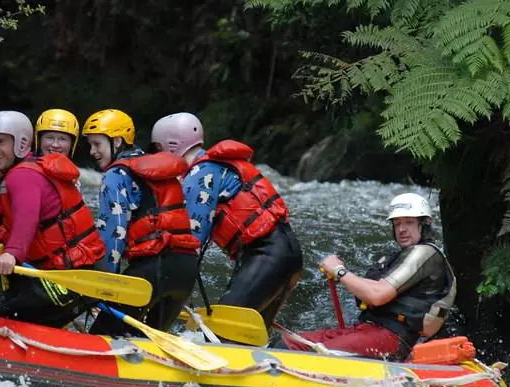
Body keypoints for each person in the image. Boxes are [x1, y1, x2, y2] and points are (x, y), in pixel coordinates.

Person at [151, 112, 303, 332]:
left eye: (158, 148)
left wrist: (176, 292)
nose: (157, 155)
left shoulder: (199, 176)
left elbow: (193, 243)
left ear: (172, 147)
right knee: (251, 334)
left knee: (223, 330)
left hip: (266, 257)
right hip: (289, 253)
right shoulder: (217, 167)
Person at [0, 111, 106, 326]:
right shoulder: (38, 170)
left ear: (22, 143)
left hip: (75, 276)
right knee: (23, 318)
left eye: (1, 142)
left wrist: (12, 254)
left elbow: (28, 216)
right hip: (70, 272)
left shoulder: (24, 174)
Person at [283, 193, 456, 359]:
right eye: (397, 224)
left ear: (424, 224)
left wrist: (340, 272)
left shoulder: (425, 254)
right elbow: (373, 288)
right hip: (370, 330)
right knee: (289, 342)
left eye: (409, 223)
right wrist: (341, 273)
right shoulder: (399, 256)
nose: (402, 229)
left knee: (300, 351)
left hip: (394, 339)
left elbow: (377, 295)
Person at [81, 110, 201, 335]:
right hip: (186, 270)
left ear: (116, 141)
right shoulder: (157, 167)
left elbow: (112, 236)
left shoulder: (115, 175)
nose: (92, 152)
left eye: (96, 144)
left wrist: (103, 288)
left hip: (151, 273)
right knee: (146, 345)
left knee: (102, 337)